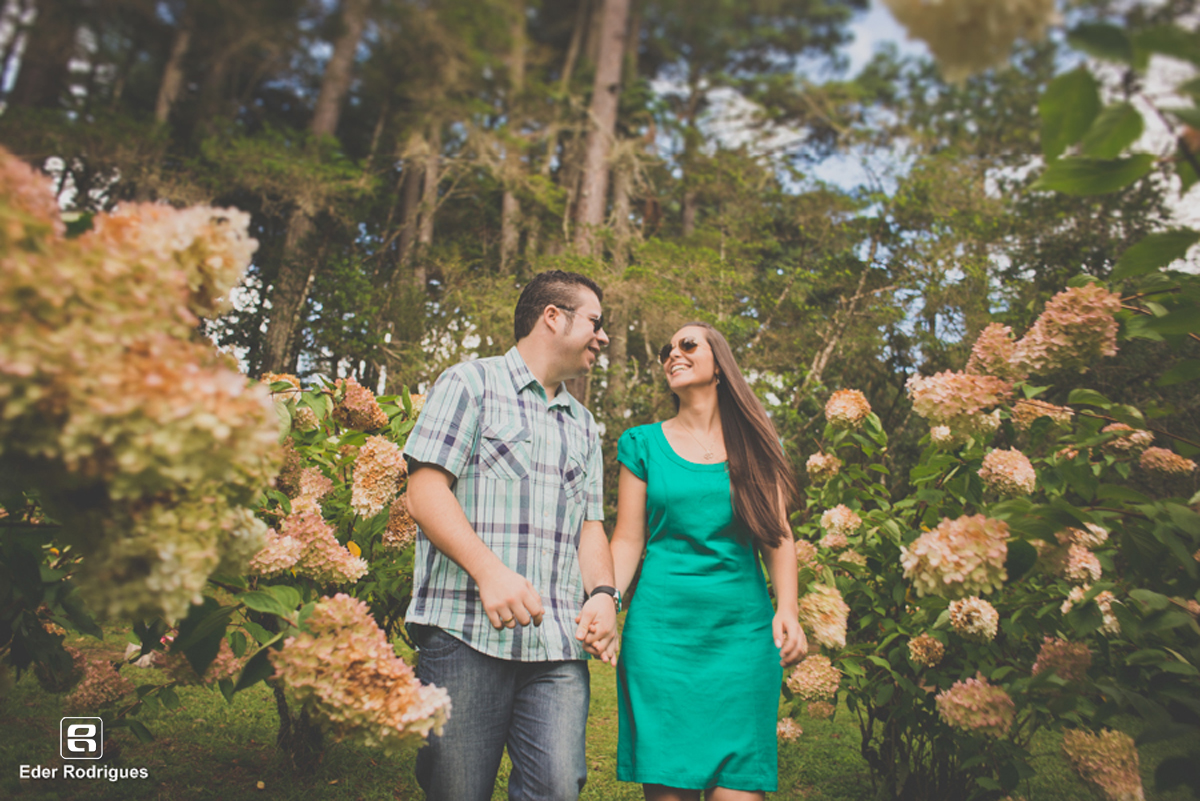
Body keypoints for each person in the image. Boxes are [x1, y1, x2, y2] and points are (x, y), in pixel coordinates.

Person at [403, 270, 619, 801]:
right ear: (553, 317)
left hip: (556, 647)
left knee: (557, 788)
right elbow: (424, 491)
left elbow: (590, 525)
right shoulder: (469, 384)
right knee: (457, 791)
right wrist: (489, 572)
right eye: (595, 322)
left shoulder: (584, 424)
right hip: (464, 634)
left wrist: (603, 594)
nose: (604, 336)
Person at [608, 322, 807, 801]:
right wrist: (605, 599)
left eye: (687, 344)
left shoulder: (758, 445)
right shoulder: (642, 444)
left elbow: (777, 537)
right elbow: (628, 539)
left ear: (720, 365)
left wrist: (788, 609)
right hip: (661, 640)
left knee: (739, 788)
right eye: (666, 349)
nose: (672, 353)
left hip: (742, 641)